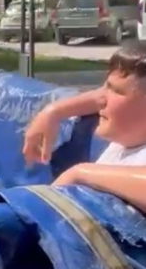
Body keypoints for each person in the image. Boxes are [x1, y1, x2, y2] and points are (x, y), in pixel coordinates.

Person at [23, 40, 146, 211]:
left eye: (117, 91)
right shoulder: (126, 140)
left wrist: (80, 173)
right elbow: (99, 96)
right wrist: (52, 112)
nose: (101, 100)